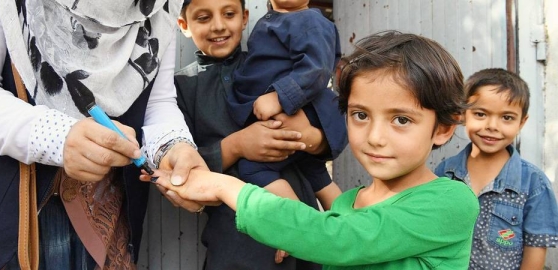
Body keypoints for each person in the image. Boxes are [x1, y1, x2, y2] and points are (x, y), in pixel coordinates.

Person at [146, 31, 480, 269]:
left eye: (402, 120)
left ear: (443, 129)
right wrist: (290, 234)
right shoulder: (349, 203)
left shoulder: (450, 201)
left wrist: (224, 185)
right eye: (361, 115)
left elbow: (335, 238)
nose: (376, 137)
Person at [0, 0, 208, 269]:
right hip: (10, 220)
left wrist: (174, 146)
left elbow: (157, 103)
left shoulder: (162, 5)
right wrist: (58, 138)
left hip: (107, 220)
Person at [174, 0, 333, 268]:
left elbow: (324, 122)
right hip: (235, 236)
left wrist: (311, 139)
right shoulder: (181, 88)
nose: (218, 26)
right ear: (184, 25)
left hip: (303, 221)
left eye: (229, 14)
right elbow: (184, 166)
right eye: (203, 17)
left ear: (244, 17)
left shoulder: (274, 67)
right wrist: (236, 146)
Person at [226, 0, 346, 209]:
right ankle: (349, 224)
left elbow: (317, 68)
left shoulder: (310, 21)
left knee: (252, 168)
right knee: (313, 169)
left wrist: (279, 97)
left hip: (301, 109)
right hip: (292, 110)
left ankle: (304, 227)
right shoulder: (273, 20)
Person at [435, 68, 558, 269]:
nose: (492, 126)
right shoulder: (445, 173)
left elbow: (534, 255)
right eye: (481, 114)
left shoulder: (533, 183)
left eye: (507, 117)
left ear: (522, 122)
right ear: (463, 115)